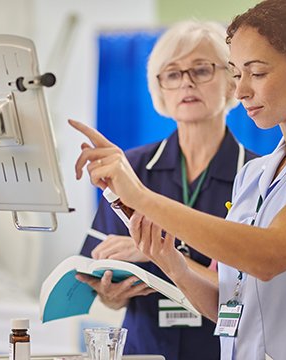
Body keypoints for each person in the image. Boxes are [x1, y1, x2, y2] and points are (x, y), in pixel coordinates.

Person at [70, 0, 286, 359]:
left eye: (256, 73)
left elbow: (271, 253)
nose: (241, 91)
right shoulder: (254, 175)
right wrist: (168, 260)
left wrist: (142, 197)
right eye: (237, 74)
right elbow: (228, 306)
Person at [76, 21, 256, 360]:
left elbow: (249, 291)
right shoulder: (130, 170)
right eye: (172, 74)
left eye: (201, 70)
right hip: (145, 350)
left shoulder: (256, 175)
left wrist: (154, 250)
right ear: (159, 88)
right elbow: (97, 268)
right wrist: (110, 294)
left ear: (233, 80)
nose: (186, 82)